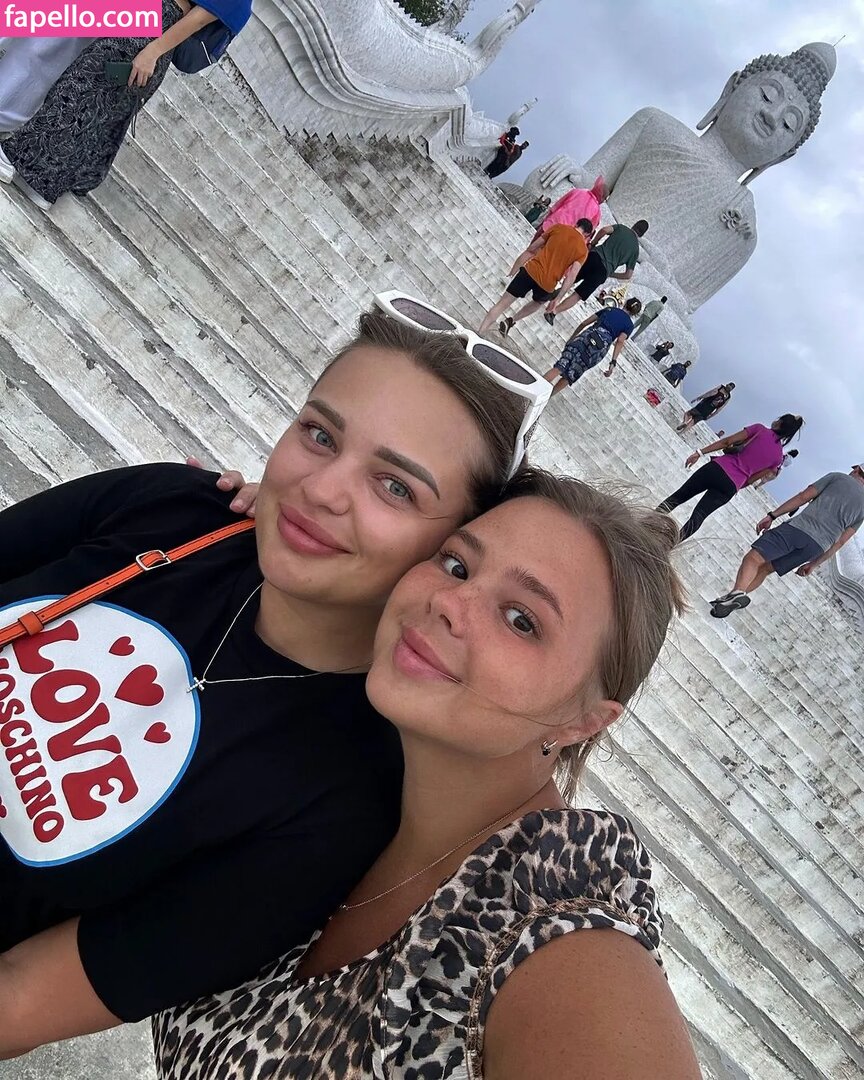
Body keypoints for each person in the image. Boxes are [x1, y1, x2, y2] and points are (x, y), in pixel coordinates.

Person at [0, 309, 531, 1057]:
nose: (322, 490)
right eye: (320, 435)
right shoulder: (178, 511)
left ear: (452, 550)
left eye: (394, 487)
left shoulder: (337, 803)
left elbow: (22, 995)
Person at [153, 469, 701, 1080]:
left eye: (521, 620)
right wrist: (269, 539)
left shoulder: (564, 947)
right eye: (457, 565)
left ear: (583, 721)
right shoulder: (353, 758)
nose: (448, 601)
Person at [0, 0, 252, 209]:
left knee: (80, 90)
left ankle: (17, 160)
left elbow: (198, 19)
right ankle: (42, 180)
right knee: (89, 98)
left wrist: (153, 51)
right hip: (152, 24)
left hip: (154, 29)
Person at [711, 464, 864, 618]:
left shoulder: (838, 477)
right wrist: (814, 564)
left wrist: (772, 515)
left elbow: (803, 497)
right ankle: (728, 602)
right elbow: (841, 541)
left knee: (753, 558)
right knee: (765, 569)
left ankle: (737, 592)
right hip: (817, 547)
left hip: (799, 529)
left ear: (857, 469)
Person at [656, 414, 804, 541]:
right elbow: (752, 480)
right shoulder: (777, 458)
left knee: (680, 496)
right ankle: (671, 544)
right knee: (699, 516)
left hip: (718, 468)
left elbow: (727, 442)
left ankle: (651, 520)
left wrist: (700, 453)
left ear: (779, 423)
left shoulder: (760, 429)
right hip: (732, 485)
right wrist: (736, 484)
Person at [479, 220, 593, 336]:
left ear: (576, 224)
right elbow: (572, 275)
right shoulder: (583, 251)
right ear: (587, 235)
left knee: (502, 304)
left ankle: (480, 331)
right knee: (539, 302)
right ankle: (512, 320)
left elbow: (533, 247)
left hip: (531, 270)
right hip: (547, 284)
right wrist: (558, 298)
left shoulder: (559, 228)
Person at [544, 219, 648, 324]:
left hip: (595, 256)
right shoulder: (635, 250)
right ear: (642, 235)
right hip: (604, 271)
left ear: (635, 224)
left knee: (572, 278)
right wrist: (611, 274)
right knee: (579, 294)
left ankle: (553, 296)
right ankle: (553, 313)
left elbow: (604, 230)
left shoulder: (621, 228)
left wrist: (594, 243)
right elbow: (628, 275)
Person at [542, 297, 643, 396]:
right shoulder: (629, 326)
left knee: (560, 366)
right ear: (634, 314)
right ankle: (544, 399)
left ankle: (537, 387)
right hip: (597, 351)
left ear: (625, 303)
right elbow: (620, 341)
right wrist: (613, 362)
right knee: (570, 376)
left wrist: (572, 338)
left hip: (585, 338)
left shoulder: (610, 309)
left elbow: (584, 323)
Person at [509, 177, 608, 275]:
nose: (604, 201)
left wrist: (546, 219)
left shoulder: (578, 191)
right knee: (542, 261)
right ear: (602, 196)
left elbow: (557, 205)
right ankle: (523, 277)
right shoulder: (597, 212)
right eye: (605, 198)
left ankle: (512, 273)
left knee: (530, 251)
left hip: (551, 225)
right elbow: (586, 234)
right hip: (564, 239)